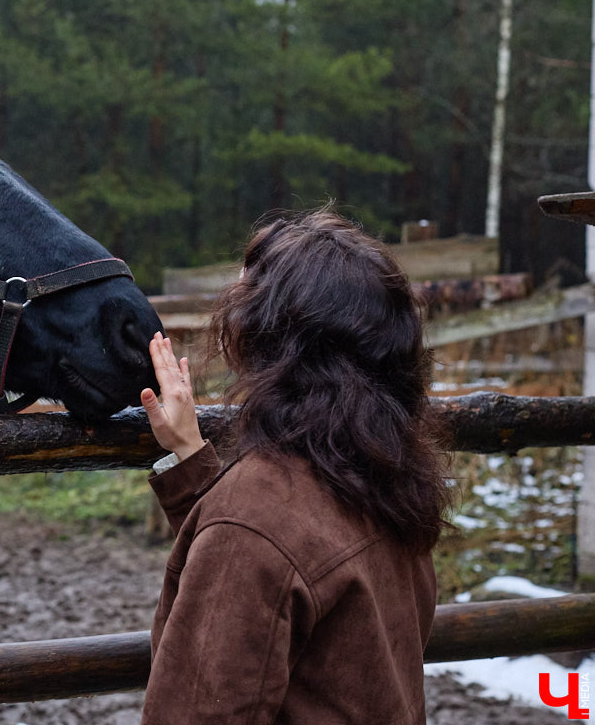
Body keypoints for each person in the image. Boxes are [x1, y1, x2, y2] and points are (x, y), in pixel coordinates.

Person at [138, 210, 450, 724]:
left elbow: (260, 549)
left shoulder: (255, 515)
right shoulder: (385, 479)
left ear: (267, 337)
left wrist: (229, 507)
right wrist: (193, 462)